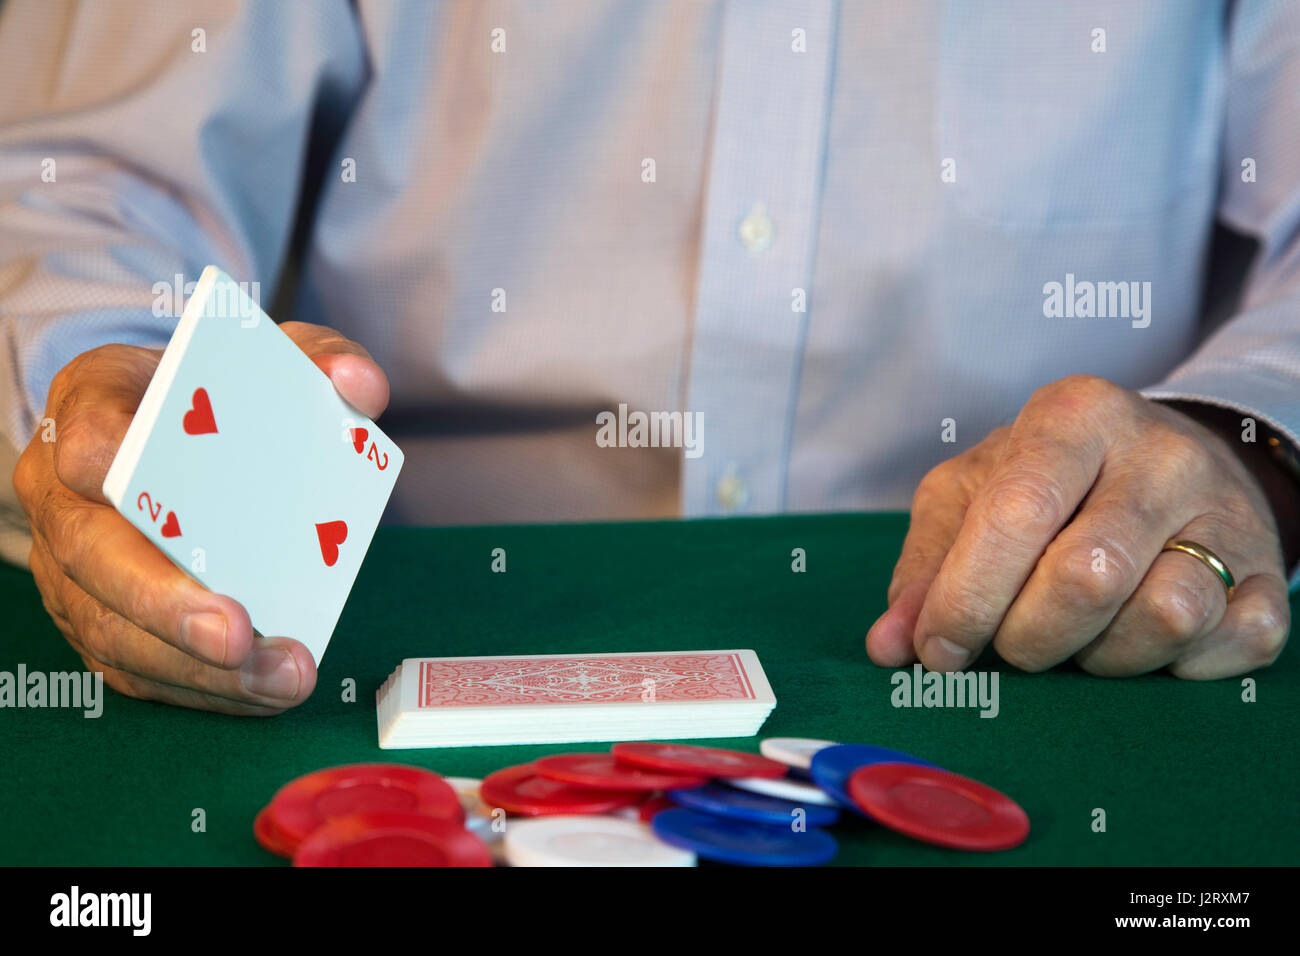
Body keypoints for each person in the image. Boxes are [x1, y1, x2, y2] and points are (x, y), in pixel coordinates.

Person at [0, 1, 1295, 715]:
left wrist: (1245, 439)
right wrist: (112, 381)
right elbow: (87, 178)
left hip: (1041, 636)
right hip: (391, 608)